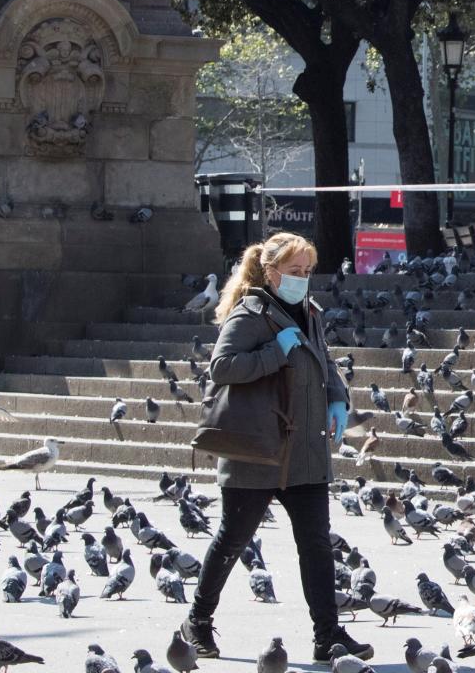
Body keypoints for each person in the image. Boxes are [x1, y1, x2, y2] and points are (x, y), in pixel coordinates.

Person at [180, 232, 372, 662]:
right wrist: (273, 351)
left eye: (307, 271)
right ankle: (197, 621)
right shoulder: (250, 314)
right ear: (270, 272)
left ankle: (328, 636)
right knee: (233, 539)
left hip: (304, 450)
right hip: (258, 450)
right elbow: (222, 367)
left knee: (316, 545)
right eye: (294, 272)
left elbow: (321, 358)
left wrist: (338, 395)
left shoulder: (310, 312)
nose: (302, 279)